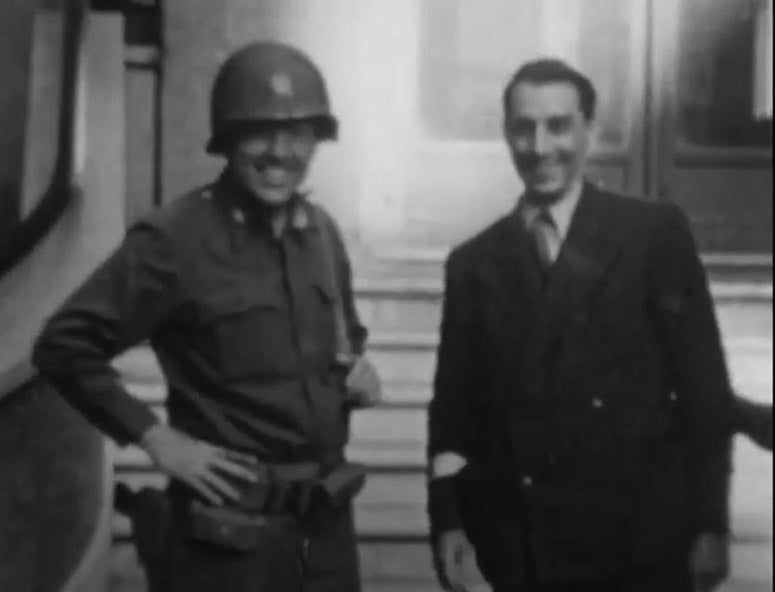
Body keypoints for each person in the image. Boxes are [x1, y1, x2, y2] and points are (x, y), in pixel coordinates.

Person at [33, 41, 381, 592]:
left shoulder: (322, 233)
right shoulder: (174, 240)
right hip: (226, 543)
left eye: (298, 133)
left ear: (317, 139)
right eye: (259, 132)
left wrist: (361, 372)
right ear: (228, 139)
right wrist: (154, 437)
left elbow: (347, 340)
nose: (280, 152)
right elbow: (64, 345)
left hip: (324, 537)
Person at [427, 59, 733, 592]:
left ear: (589, 130)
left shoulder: (653, 235)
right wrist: (448, 520)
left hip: (639, 547)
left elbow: (704, 391)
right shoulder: (473, 264)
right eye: (524, 128)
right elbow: (453, 414)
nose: (540, 147)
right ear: (506, 134)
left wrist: (711, 523)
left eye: (559, 126)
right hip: (525, 552)